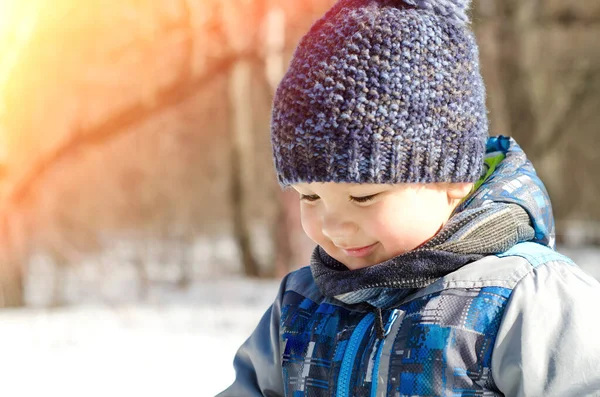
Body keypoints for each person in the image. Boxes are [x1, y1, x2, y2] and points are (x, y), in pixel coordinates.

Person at [218, 0, 600, 395]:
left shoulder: (527, 300)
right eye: (310, 196)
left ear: (454, 179)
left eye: (363, 197)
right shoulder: (300, 308)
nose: (332, 225)